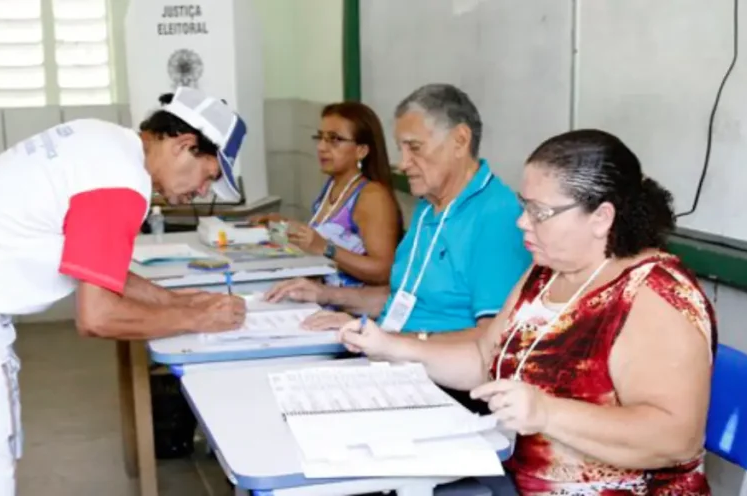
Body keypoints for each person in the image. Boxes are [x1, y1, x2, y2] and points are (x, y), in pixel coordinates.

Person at [0, 87, 249, 495]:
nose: (202, 192)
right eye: (209, 176)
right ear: (184, 144)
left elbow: (97, 268)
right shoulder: (122, 183)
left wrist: (177, 301)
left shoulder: (102, 140)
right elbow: (97, 316)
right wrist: (195, 318)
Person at [339, 129, 717, 495]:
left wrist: (546, 413)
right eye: (524, 207)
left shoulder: (656, 294)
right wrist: (393, 347)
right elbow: (485, 357)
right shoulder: (546, 272)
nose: (522, 222)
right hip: (511, 478)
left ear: (601, 217)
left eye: (540, 212)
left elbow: (676, 438)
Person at [265, 84, 530, 411]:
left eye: (414, 148)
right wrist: (330, 299)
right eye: (400, 149)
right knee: (281, 392)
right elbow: (403, 296)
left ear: (460, 140)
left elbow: (493, 339)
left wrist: (391, 342)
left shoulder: (496, 216)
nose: (403, 163)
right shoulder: (429, 204)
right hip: (396, 361)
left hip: (446, 386)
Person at [251, 101, 401, 286]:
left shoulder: (372, 196)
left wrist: (326, 249)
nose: (321, 147)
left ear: (361, 150)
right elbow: (319, 238)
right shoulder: (332, 185)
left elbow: (383, 271)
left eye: (334, 139)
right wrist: (283, 224)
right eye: (320, 137)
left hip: (348, 307)